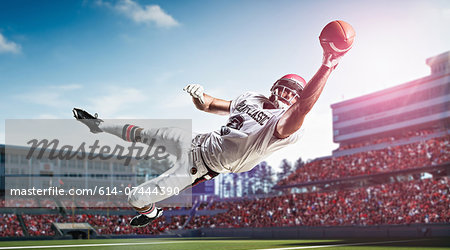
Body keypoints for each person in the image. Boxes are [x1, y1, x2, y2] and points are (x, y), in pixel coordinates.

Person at [73, 38, 351, 227]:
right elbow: (209, 105)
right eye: (284, 87)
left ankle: (151, 212)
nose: (287, 93)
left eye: (294, 93)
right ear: (274, 86)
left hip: (200, 166)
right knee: (145, 134)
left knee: (135, 198)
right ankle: (97, 124)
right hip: (196, 141)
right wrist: (198, 96)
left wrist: (327, 64)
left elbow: (303, 108)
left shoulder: (284, 123)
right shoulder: (251, 97)